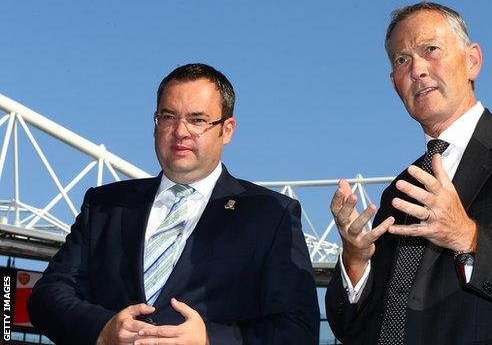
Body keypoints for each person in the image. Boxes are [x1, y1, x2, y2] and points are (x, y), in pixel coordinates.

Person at [325, 2, 492, 345]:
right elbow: (353, 329)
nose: (416, 69)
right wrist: (356, 262)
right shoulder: (399, 192)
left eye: (430, 50)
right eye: (401, 60)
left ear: (472, 61)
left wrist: (468, 236)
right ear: (394, 84)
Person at [28, 63, 319, 345]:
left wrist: (209, 339)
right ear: (155, 124)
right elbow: (47, 295)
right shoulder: (104, 205)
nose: (180, 132)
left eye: (197, 120)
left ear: (227, 130)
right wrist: (102, 329)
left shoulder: (270, 214)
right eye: (168, 117)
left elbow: (298, 329)